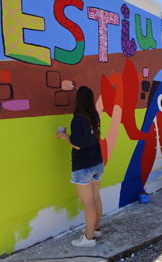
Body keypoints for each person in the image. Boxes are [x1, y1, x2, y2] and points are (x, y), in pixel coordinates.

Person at [56, 86, 104, 248]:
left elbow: (77, 145)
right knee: (95, 198)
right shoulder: (95, 115)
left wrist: (65, 136)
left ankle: (89, 239)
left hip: (83, 167)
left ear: (78, 101)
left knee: (88, 202)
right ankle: (95, 229)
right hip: (97, 162)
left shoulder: (77, 119)